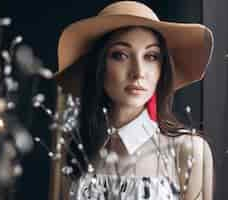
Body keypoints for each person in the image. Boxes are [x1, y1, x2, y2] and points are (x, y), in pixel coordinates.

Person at [54, 1, 214, 200]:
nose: (138, 72)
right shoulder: (74, 149)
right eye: (120, 55)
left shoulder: (188, 150)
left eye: (151, 56)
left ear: (162, 68)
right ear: (99, 65)